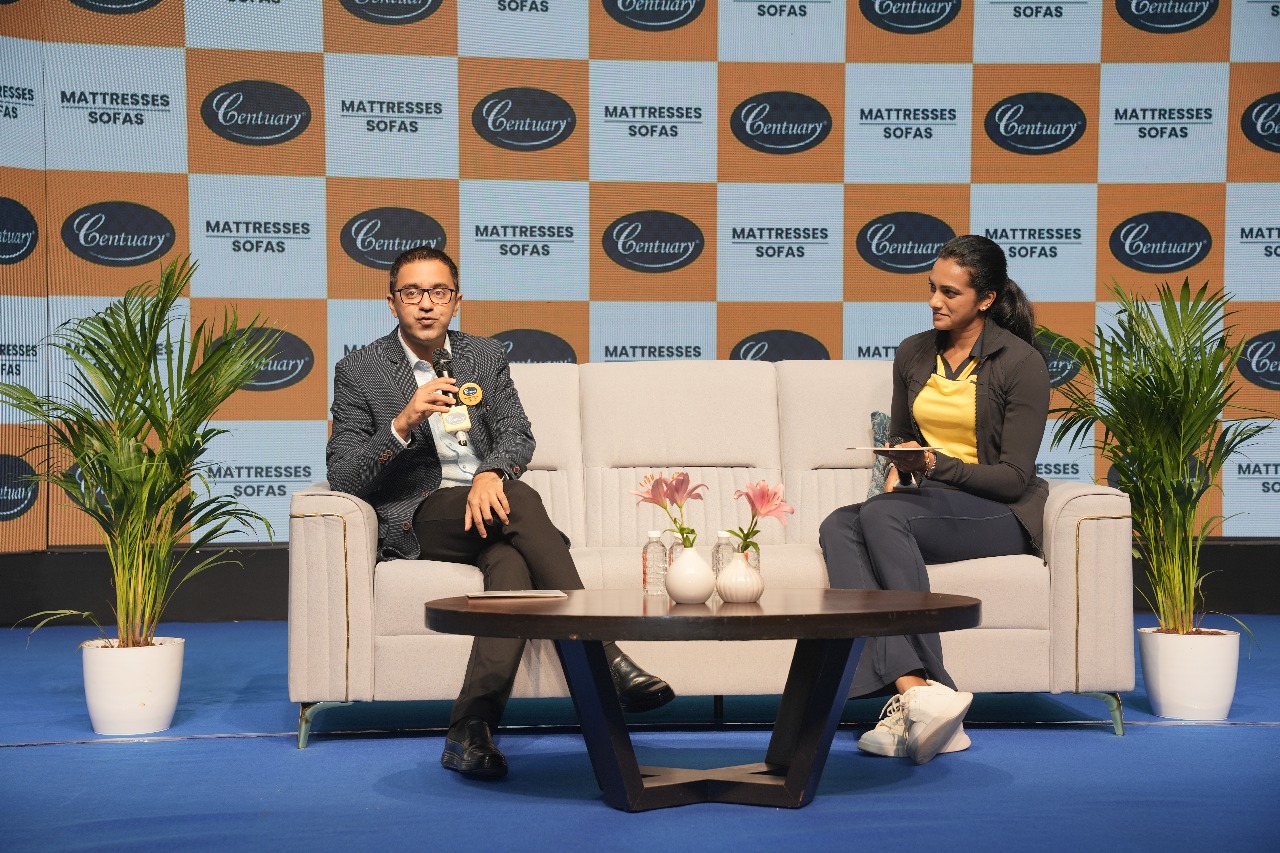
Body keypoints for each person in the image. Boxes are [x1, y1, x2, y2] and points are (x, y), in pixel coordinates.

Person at [327, 246, 674, 779]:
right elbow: (345, 475)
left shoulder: (483, 355)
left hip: (490, 509)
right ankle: (604, 653)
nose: (426, 304)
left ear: (456, 300)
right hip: (420, 514)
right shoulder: (360, 369)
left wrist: (491, 473)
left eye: (438, 292)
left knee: (511, 566)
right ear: (392, 302)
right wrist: (403, 421)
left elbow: (517, 433)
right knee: (524, 499)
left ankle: (470, 730)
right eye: (412, 293)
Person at [819, 234, 1049, 765]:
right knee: (837, 524)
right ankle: (917, 693)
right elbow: (904, 434)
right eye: (931, 288)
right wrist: (902, 456)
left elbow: (1014, 479)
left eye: (949, 292)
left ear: (985, 299)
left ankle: (930, 690)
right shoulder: (914, 352)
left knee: (882, 515)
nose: (933, 301)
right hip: (931, 503)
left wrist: (931, 464)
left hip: (1000, 512)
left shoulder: (1021, 363)